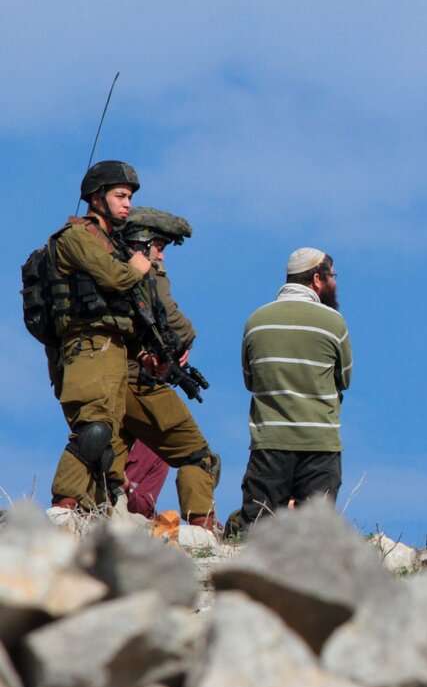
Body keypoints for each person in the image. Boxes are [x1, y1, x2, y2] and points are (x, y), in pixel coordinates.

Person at [47, 161, 155, 510]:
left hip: (112, 348)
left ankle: (90, 511)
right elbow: (115, 279)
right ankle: (63, 509)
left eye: (129, 197)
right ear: (96, 198)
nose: (127, 204)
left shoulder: (111, 242)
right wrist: (136, 268)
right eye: (120, 196)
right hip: (88, 345)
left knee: (108, 439)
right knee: (93, 428)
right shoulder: (77, 236)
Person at [224, 248, 352, 535]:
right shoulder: (334, 323)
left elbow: (250, 380)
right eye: (332, 276)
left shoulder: (256, 321)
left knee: (258, 530)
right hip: (319, 442)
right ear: (317, 279)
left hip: (269, 442)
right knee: (315, 537)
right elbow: (344, 378)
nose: (335, 283)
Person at [117, 207, 221, 530]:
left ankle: (74, 512)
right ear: (142, 243)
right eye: (159, 247)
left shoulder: (108, 271)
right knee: (199, 456)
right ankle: (202, 528)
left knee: (104, 458)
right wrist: (187, 339)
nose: (162, 256)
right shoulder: (146, 273)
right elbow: (171, 318)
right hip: (139, 380)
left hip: (104, 381)